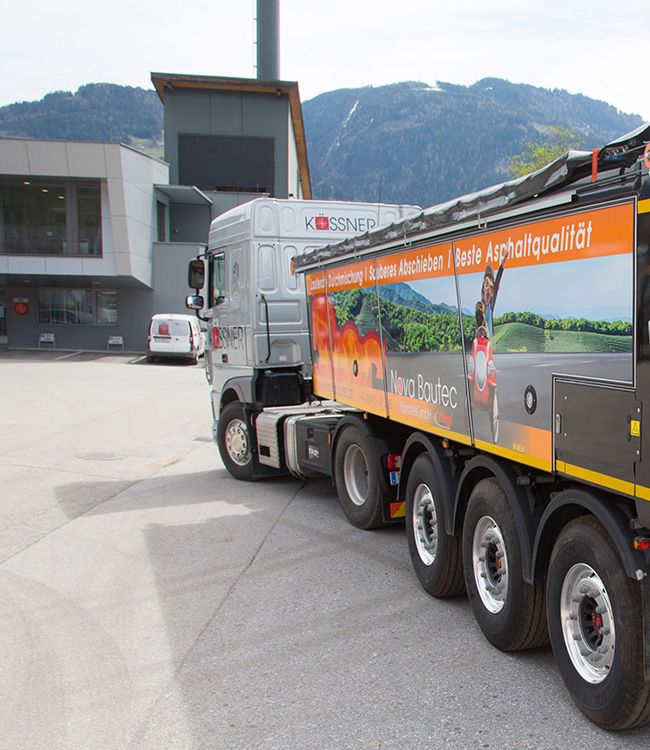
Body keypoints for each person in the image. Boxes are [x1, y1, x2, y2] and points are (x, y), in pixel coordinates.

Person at [480, 248, 509, 339]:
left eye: (490, 283)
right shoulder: (481, 305)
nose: (488, 287)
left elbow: (499, 277)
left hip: (488, 339)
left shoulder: (491, 303)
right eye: (486, 282)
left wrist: (504, 259)